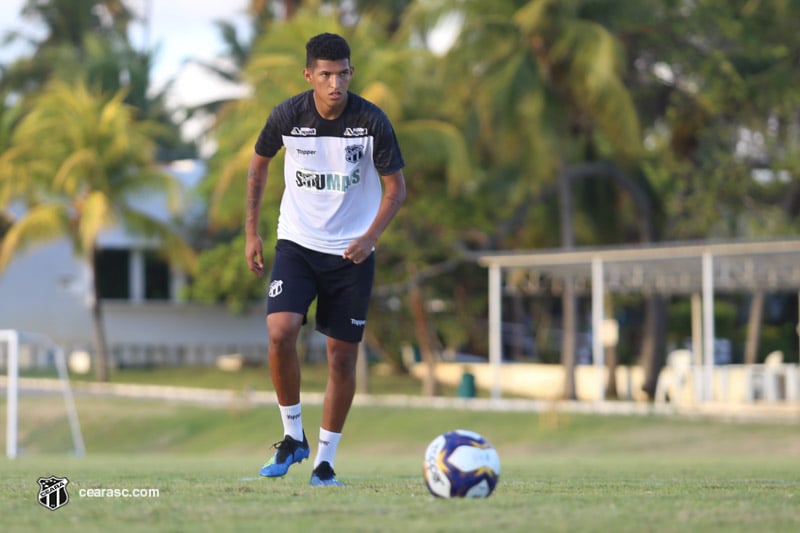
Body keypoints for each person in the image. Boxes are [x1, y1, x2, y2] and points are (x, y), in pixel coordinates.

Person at [244, 32, 406, 487]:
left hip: (352, 253)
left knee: (341, 358)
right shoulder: (288, 116)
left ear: (351, 73)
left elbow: (396, 189)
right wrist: (251, 231)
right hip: (297, 242)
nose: (335, 83)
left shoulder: (372, 121)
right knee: (280, 330)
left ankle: (324, 461)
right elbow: (258, 164)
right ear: (309, 75)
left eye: (342, 74)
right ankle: (292, 436)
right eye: (326, 74)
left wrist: (370, 239)